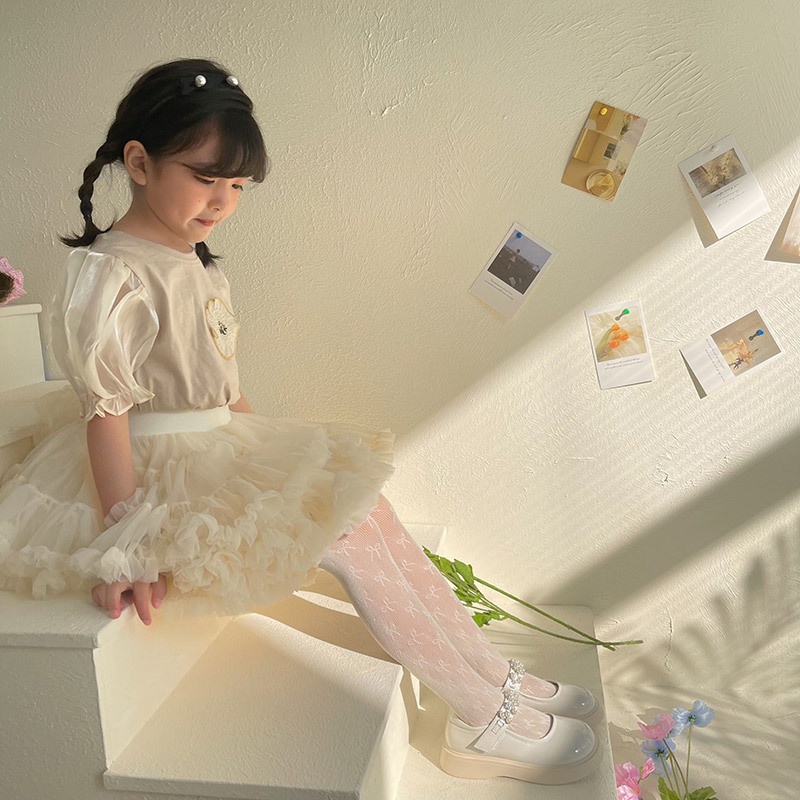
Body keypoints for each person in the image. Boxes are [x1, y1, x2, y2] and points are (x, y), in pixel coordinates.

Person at [0, 58, 601, 785]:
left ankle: (488, 670)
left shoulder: (194, 261)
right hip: (157, 470)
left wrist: (280, 454)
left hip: (214, 444)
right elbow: (108, 414)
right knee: (347, 538)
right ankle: (477, 714)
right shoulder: (113, 270)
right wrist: (126, 540)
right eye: (205, 177)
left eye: (237, 186)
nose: (222, 202)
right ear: (139, 162)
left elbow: (220, 387)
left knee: (367, 507)